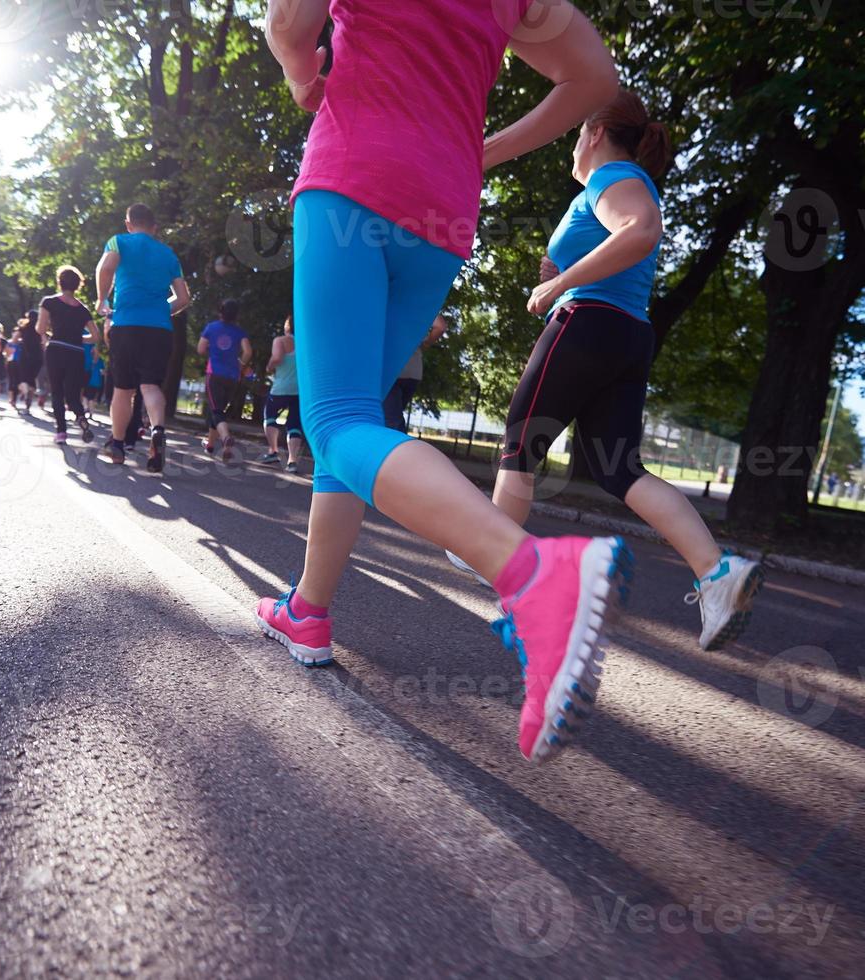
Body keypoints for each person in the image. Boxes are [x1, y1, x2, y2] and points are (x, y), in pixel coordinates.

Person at [257, 0, 629, 764]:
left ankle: (531, 572)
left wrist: (301, 76)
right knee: (356, 424)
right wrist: (476, 148)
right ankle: (309, 610)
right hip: (441, 205)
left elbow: (291, 24)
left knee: (335, 421)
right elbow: (593, 78)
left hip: (353, 175)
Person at [446, 89, 763, 652]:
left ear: (592, 132)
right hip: (626, 335)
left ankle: (498, 559)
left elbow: (640, 231)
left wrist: (561, 283)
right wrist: (561, 265)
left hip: (588, 322)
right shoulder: (612, 187)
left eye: (575, 132)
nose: (573, 143)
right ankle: (717, 574)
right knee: (617, 469)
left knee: (521, 443)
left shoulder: (612, 176)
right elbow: (619, 247)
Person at [95, 202, 191, 472]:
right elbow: (183, 298)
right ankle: (157, 431)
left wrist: (102, 300)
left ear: (128, 224)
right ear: (154, 227)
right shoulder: (169, 255)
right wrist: (162, 310)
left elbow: (106, 268)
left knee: (123, 389)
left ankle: (117, 444)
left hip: (126, 325)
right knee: (150, 386)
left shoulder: (119, 242)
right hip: (160, 329)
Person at [39, 265, 97, 444]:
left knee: (57, 391)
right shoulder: (83, 309)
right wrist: (80, 339)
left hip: (56, 349)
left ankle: (61, 433)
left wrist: (48, 335)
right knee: (72, 393)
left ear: (59, 282)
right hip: (76, 353)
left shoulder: (49, 302)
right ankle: (80, 417)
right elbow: (96, 336)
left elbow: (40, 328)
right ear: (78, 285)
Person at [198, 298, 252, 461]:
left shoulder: (211, 328)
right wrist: (241, 365)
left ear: (220, 311)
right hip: (232, 376)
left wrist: (213, 351)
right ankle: (210, 445)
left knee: (216, 411)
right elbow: (248, 352)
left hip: (214, 374)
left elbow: (200, 349)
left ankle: (226, 437)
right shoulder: (240, 332)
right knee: (219, 410)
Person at [383, 314, 448, 432]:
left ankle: (401, 449)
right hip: (414, 370)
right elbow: (440, 326)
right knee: (390, 418)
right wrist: (426, 343)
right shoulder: (420, 303)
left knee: (390, 423)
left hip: (389, 370)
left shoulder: (386, 301)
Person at [262, 315, 304, 473]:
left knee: (270, 416)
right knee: (294, 424)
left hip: (281, 389)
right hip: (300, 390)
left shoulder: (280, 341)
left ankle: (273, 451)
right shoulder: (306, 342)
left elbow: (277, 358)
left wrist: (269, 366)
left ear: (287, 326)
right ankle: (292, 461)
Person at [16, 310, 45, 413]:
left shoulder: (23, 327)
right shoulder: (40, 328)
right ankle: (28, 403)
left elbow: (15, 339)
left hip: (26, 355)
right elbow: (45, 342)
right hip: (38, 356)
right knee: (32, 379)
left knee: (24, 378)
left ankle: (25, 392)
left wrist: (21, 341)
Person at [82, 341, 105, 420]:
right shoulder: (100, 361)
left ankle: (86, 408)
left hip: (89, 381)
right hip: (97, 382)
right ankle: (90, 412)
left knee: (86, 396)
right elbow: (103, 372)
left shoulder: (89, 360)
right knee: (90, 397)